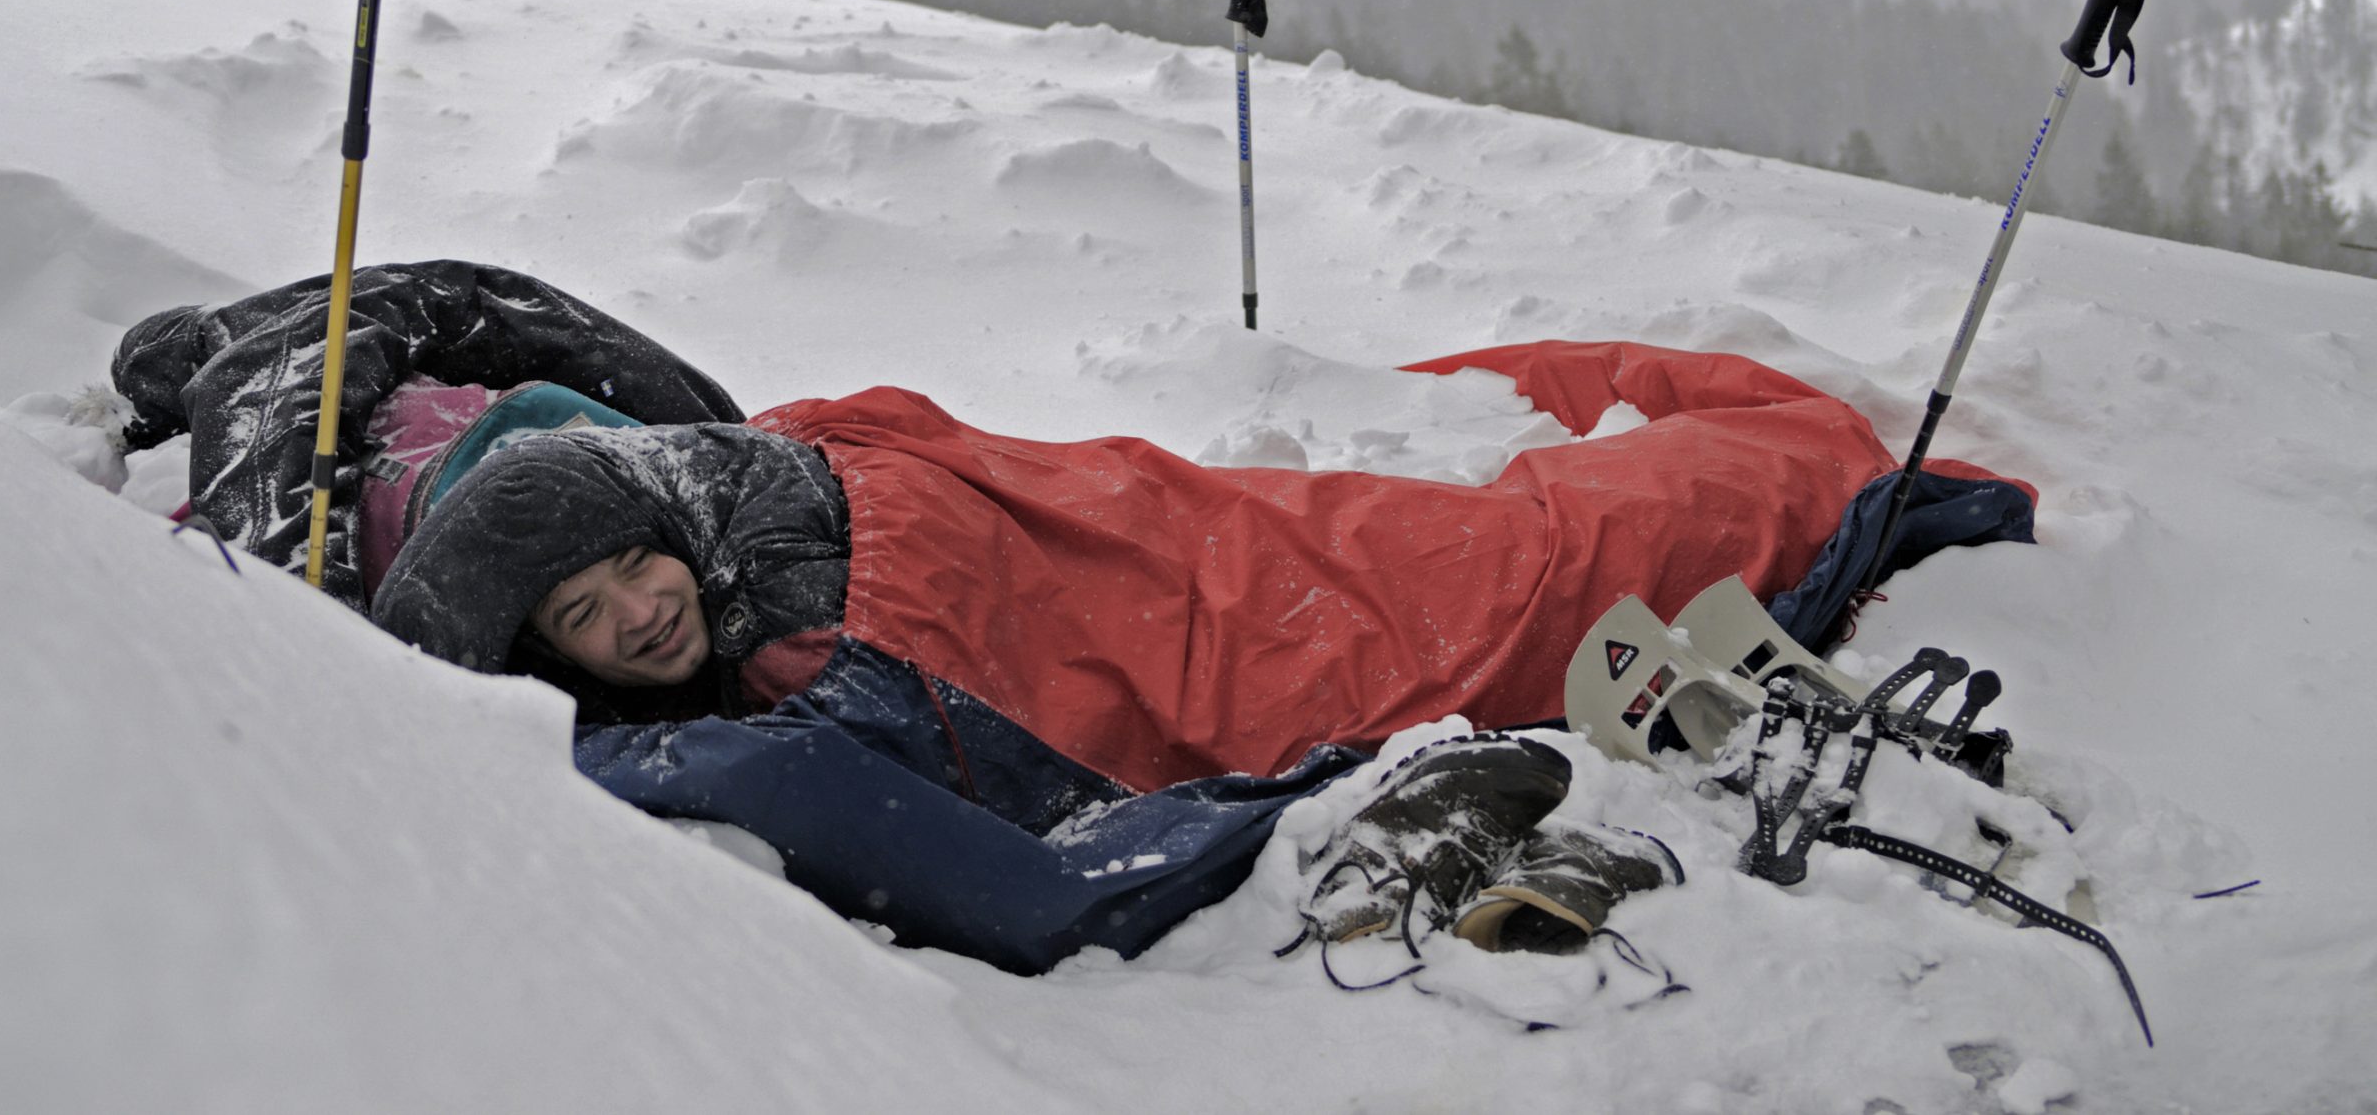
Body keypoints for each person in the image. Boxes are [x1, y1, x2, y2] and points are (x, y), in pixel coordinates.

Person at [366, 328, 2034, 971]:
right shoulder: (766, 566)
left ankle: (1799, 492)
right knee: (1448, 554)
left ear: (678, 526)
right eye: (581, 625)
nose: (633, 618)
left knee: (1504, 574)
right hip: (1149, 563)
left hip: (1191, 585)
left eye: (632, 573)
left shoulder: (816, 609)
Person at [109, 259, 740, 605]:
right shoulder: (718, 443)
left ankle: (183, 349)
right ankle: (184, 349)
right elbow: (472, 303)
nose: (641, 612)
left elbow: (471, 303)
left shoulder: (725, 456)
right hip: (393, 368)